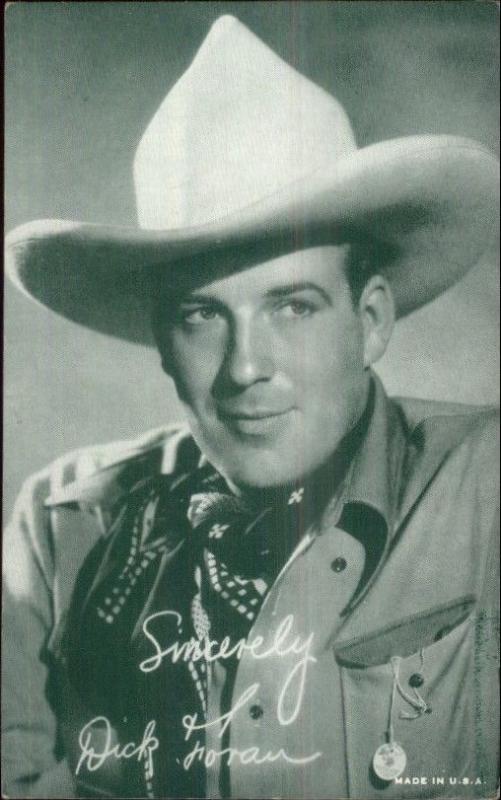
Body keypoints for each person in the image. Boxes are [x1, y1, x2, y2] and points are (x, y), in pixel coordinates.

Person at [2, 15, 499, 800]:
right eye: (201, 315)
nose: (243, 368)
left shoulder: (484, 496)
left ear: (370, 321)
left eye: (292, 307)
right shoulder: (62, 526)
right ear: (162, 342)